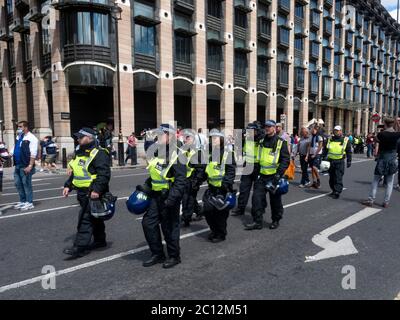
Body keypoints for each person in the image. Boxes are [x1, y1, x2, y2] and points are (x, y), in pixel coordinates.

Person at [140, 124, 186, 268]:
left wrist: (171, 200)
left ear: (170, 136)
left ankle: (174, 256)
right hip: (155, 196)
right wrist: (144, 188)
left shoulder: (178, 154)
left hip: (169, 197)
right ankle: (158, 254)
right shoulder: (156, 152)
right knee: (148, 223)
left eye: (161, 134)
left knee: (170, 228)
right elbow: (155, 175)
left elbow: (180, 181)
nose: (157, 137)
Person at [62, 128, 111, 259]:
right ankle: (100, 241)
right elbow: (78, 173)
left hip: (92, 192)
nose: (78, 139)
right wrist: (68, 186)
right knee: (95, 217)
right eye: (77, 137)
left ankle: (79, 247)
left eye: (80, 137)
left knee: (85, 219)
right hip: (82, 193)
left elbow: (104, 174)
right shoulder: (80, 152)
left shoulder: (99, 153)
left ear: (89, 138)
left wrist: (97, 190)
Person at [245, 120, 290, 230]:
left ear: (274, 128)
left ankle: (275, 220)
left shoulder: (281, 142)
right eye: (266, 127)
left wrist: (278, 175)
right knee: (256, 200)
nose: (267, 128)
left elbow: (285, 160)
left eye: (269, 127)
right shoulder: (261, 141)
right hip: (261, 176)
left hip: (274, 177)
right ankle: (257, 222)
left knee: (275, 202)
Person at [200, 129, 236, 242]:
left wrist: (225, 184)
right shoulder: (210, 153)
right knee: (207, 211)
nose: (213, 140)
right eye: (211, 138)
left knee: (220, 214)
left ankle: (221, 234)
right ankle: (214, 230)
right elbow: (206, 170)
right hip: (212, 188)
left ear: (221, 139)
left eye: (215, 138)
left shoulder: (227, 153)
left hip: (222, 189)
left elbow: (231, 171)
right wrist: (197, 181)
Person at [361, 118, 400, 208]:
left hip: (382, 159)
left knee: (376, 180)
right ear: (392, 124)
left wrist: (375, 136)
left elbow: (375, 140)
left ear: (385, 124)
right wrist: (397, 123)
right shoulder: (396, 134)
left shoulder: (381, 134)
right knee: (390, 182)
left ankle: (371, 200)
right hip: (393, 159)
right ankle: (386, 202)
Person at [231, 121, 264, 216]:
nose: (249, 132)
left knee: (259, 192)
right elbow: (238, 145)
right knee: (243, 189)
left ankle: (260, 208)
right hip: (247, 166)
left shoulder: (262, 140)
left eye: (252, 130)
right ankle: (241, 208)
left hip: (258, 168)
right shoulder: (247, 139)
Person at [180, 129, 206, 227]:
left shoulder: (197, 152)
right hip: (184, 179)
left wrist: (196, 182)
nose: (186, 139)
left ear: (193, 139)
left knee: (187, 199)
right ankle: (200, 211)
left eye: (188, 137)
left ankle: (186, 219)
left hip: (192, 180)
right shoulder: (183, 150)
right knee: (189, 198)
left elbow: (200, 169)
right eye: (185, 137)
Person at [12, 121, 39, 211]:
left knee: (26, 184)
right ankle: (23, 201)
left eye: (20, 127)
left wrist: (30, 165)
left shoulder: (32, 138)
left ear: (26, 127)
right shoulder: (19, 137)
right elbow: (15, 148)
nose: (18, 128)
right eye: (18, 127)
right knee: (18, 183)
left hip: (26, 165)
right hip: (18, 164)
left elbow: (33, 153)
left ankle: (29, 202)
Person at [323, 125, 352, 199]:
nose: (336, 131)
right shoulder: (329, 139)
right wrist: (323, 158)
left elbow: (349, 151)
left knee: (338, 177)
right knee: (331, 177)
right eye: (335, 130)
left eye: (338, 130)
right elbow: (325, 150)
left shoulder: (345, 140)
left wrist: (349, 161)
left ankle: (337, 192)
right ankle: (333, 190)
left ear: (341, 131)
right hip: (330, 161)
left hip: (339, 161)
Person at [306, 125, 323, 189]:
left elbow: (320, 146)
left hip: (317, 154)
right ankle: (314, 182)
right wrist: (307, 155)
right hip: (311, 153)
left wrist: (315, 154)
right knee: (312, 169)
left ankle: (318, 180)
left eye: (314, 129)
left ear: (317, 130)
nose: (313, 130)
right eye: (312, 129)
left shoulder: (319, 137)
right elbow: (309, 146)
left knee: (314, 167)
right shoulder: (311, 137)